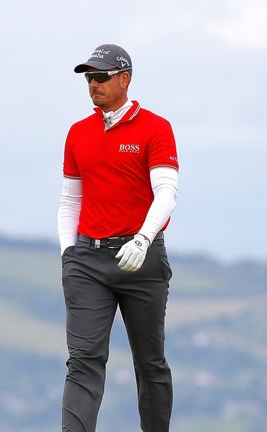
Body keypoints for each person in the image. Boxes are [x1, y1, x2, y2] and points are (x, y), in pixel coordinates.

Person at [57, 44, 179, 432]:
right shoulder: (78, 133)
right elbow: (69, 200)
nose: (93, 84)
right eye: (89, 78)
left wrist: (143, 239)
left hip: (141, 258)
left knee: (150, 362)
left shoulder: (155, 128)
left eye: (101, 76)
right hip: (87, 260)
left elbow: (166, 192)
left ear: (124, 78)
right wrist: (68, 255)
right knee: (83, 361)